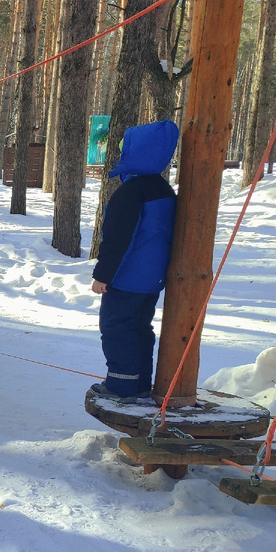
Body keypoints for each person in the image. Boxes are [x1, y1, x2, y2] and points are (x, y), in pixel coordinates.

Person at [90, 119, 179, 404]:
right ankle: (139, 382)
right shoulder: (163, 190)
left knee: (117, 328)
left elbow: (119, 238)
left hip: (128, 277)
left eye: (123, 149)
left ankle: (120, 386)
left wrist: (103, 274)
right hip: (152, 278)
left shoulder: (131, 192)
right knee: (140, 328)